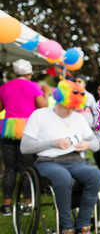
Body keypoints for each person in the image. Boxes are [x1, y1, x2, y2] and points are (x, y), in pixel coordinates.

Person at [20, 80, 100, 234]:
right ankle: (66, 226)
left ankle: (83, 224)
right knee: (62, 176)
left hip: (74, 159)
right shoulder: (40, 115)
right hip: (48, 161)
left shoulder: (78, 118)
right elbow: (25, 147)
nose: (71, 111)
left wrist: (87, 145)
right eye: (68, 106)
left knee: (95, 175)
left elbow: (96, 144)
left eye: (74, 107)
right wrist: (52, 143)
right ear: (60, 100)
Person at [0, 59, 49, 216]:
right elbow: (44, 106)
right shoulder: (34, 86)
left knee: (9, 168)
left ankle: (6, 205)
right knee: (27, 168)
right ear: (29, 73)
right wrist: (46, 92)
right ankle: (27, 204)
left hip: (8, 129)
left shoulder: (4, 87)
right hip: (28, 129)